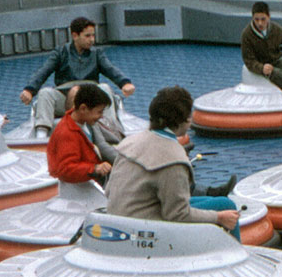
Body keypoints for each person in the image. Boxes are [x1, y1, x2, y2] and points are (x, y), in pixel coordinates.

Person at [106, 86, 240, 240]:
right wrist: (218, 218)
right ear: (184, 120)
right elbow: (177, 215)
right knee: (225, 205)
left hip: (118, 219)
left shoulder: (129, 143)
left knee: (210, 202)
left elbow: (109, 191)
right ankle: (237, 253)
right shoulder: (173, 158)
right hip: (144, 229)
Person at [19, 17, 135, 138]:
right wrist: (29, 90)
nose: (92, 40)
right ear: (75, 36)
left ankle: (110, 131)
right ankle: (41, 136)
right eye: (87, 36)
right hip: (66, 99)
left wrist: (124, 82)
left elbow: (110, 69)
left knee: (104, 88)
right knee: (45, 93)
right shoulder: (61, 52)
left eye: (93, 36)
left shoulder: (97, 54)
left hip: (90, 99)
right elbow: (44, 71)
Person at [46, 83, 113, 185]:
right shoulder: (67, 133)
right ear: (83, 109)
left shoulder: (82, 120)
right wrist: (95, 169)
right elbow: (66, 170)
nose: (101, 116)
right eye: (99, 112)